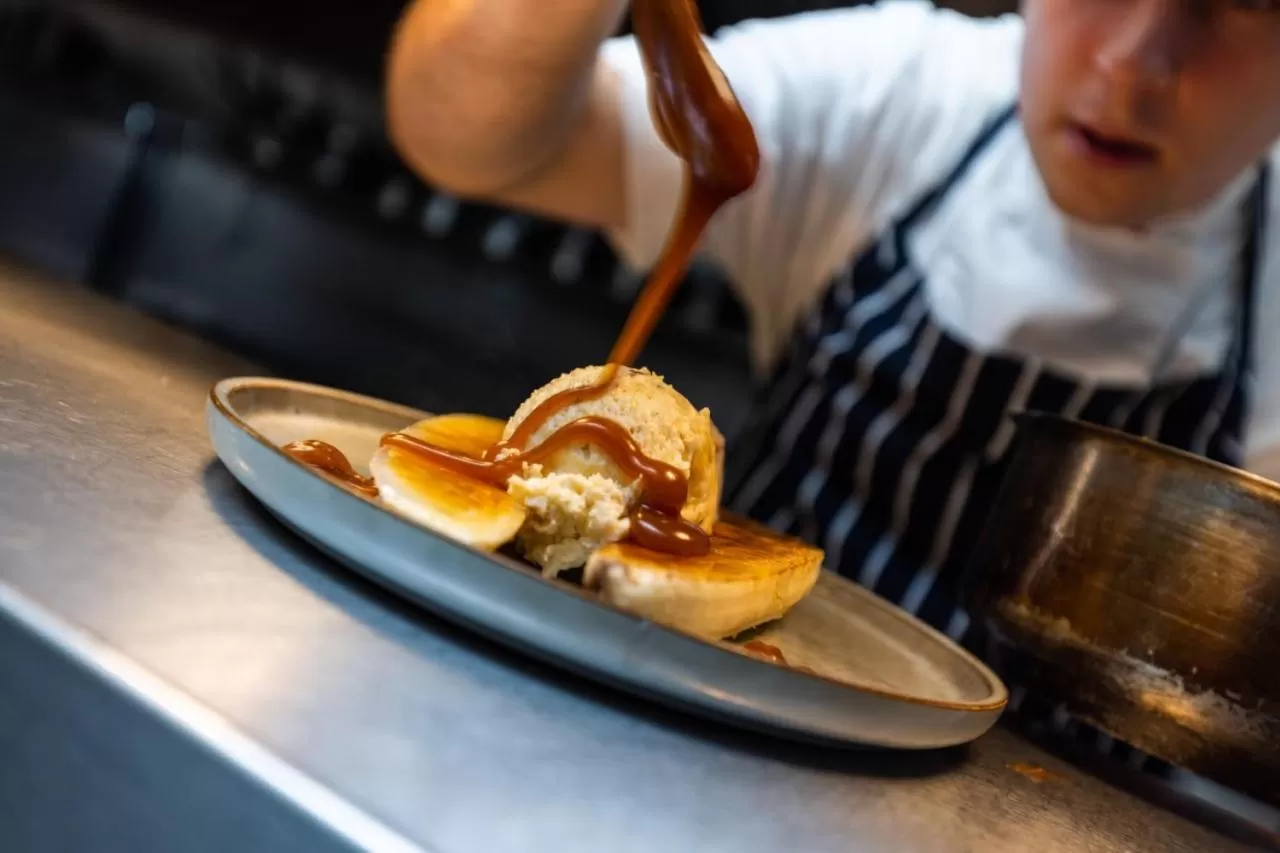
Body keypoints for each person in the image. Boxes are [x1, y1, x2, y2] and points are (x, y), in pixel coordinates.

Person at [385, 0, 1280, 751]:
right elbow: (479, 144)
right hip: (681, 735)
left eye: (1244, 1)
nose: (1136, 64)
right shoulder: (904, 94)